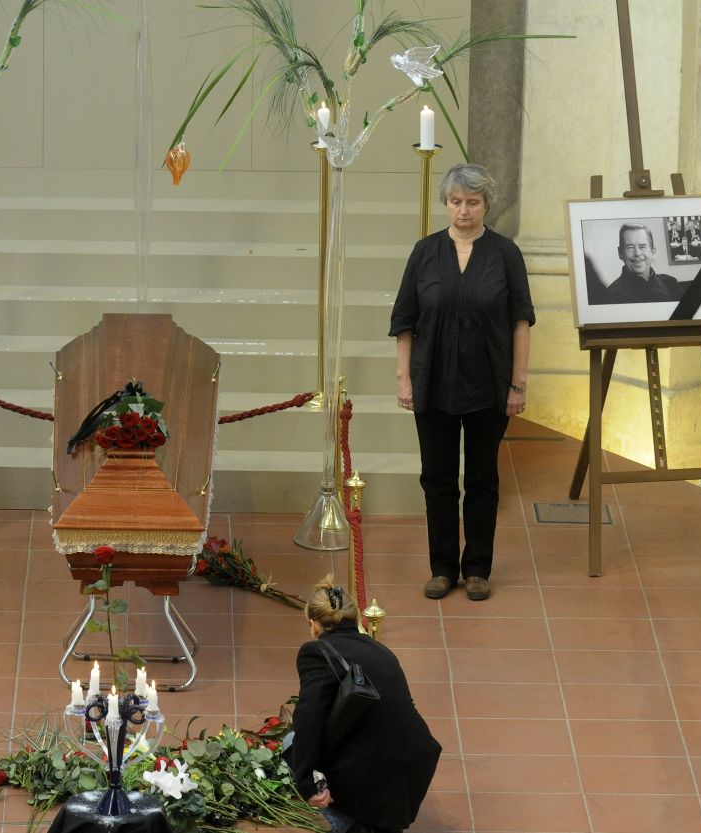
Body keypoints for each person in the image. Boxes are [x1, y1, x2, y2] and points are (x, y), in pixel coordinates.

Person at [390, 163, 533, 602]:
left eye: (472, 202)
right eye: (455, 202)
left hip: (489, 387)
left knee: (483, 479)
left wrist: (518, 384)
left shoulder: (505, 254)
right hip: (432, 384)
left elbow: (521, 322)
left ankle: (477, 569)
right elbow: (405, 321)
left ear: (486, 204)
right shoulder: (425, 252)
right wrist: (404, 379)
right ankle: (442, 567)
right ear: (446, 204)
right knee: (437, 478)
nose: (463, 211)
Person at [288, 576, 441, 833]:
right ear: (355, 617)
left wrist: (307, 782)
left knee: (290, 745)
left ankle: (353, 826)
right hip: (413, 768)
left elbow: (308, 719)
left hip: (372, 778)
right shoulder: (380, 649)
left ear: (314, 624)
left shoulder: (316, 652)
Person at [602, 223, 686, 303]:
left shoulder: (671, 284)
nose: (637, 253)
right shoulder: (611, 295)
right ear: (620, 253)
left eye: (642, 246)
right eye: (630, 247)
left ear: (653, 252)